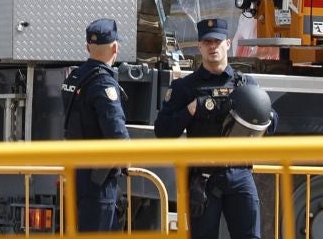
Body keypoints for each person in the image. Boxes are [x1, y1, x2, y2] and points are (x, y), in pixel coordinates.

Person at [154, 18, 276, 239]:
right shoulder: (185, 87)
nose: (213, 47)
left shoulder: (245, 84)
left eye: (217, 41)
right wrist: (190, 110)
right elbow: (162, 130)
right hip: (204, 178)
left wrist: (258, 113)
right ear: (199, 45)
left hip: (239, 173)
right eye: (207, 42)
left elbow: (272, 121)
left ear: (228, 44)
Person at [63, 18, 132, 231]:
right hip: (99, 180)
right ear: (115, 48)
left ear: (87, 47)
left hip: (77, 173)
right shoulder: (103, 82)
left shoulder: (75, 76)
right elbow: (116, 131)